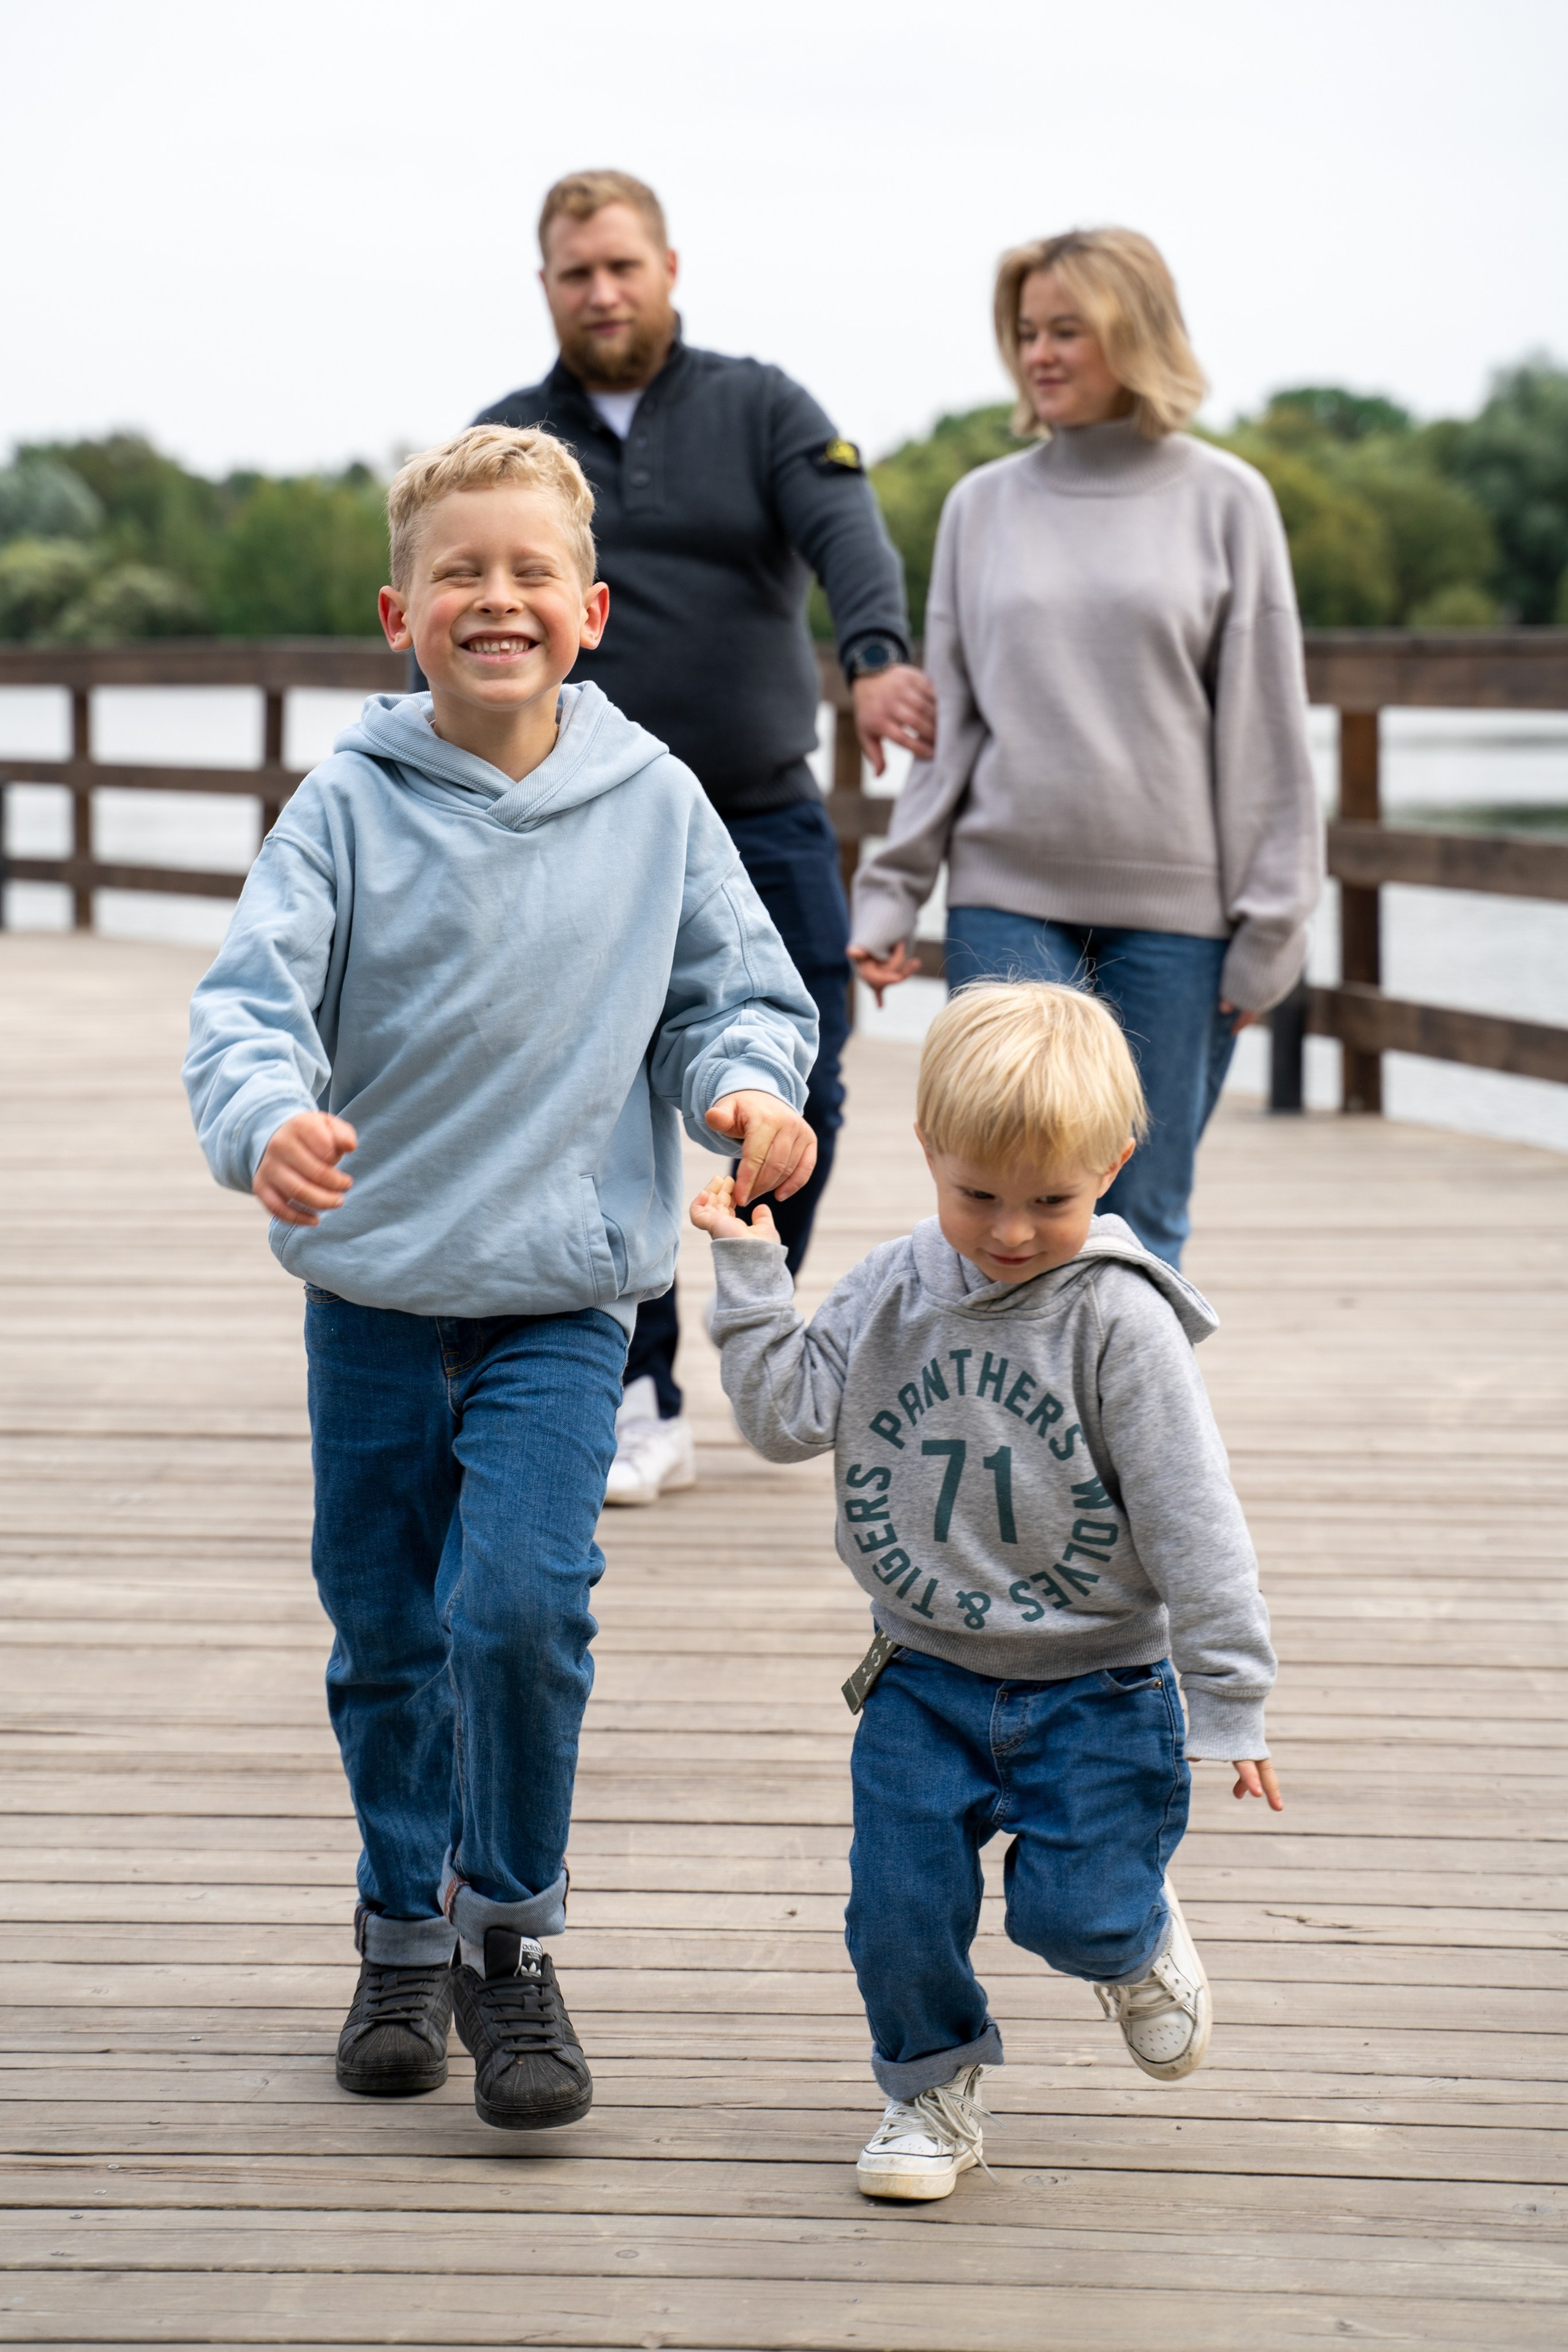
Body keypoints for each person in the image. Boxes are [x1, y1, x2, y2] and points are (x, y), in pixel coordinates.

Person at [183, 426, 818, 2132]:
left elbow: (732, 997)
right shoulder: (346, 808)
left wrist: (747, 1093)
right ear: (403, 610)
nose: (497, 597)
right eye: (460, 570)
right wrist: (266, 1123)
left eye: (531, 570)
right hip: (376, 1294)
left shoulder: (657, 802)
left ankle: (511, 1944)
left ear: (591, 608)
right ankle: (404, 1928)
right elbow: (248, 1007)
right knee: (389, 1632)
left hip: (559, 1290)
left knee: (520, 1611)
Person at [692, 982, 1280, 2199]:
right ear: (928, 1155)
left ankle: (1128, 1935)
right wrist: (754, 1276)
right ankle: (929, 2093)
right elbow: (785, 1417)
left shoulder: (1119, 1322)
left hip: (1098, 1684)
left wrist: (1226, 1698)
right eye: (978, 1197)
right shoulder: (890, 1286)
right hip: (921, 1674)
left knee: (1070, 1915)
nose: (1009, 1233)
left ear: (1111, 1165)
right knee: (895, 1906)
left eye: (1050, 1202)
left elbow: (1192, 1518)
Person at [476, 168, 934, 1502]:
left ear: (668, 268)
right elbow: (460, 582)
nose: (602, 291)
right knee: (594, 1089)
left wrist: (872, 652)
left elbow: (846, 526)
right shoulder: (512, 436)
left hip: (759, 807)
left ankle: (748, 1292)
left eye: (622, 266)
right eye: (576, 273)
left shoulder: (761, 405)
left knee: (806, 1076)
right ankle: (638, 1375)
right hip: (576, 813)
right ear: (547, 287)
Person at [849, 227, 1322, 1269]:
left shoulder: (1227, 501)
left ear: (1135, 333)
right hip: (1006, 893)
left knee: (1137, 1223)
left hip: (1179, 921)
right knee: (994, 1210)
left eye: (1068, 329)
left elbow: (1269, 738)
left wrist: (1274, 925)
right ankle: (1005, 1434)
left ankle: (1127, 1436)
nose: (1040, 354)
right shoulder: (982, 506)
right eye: (1026, 332)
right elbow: (950, 725)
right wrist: (891, 892)